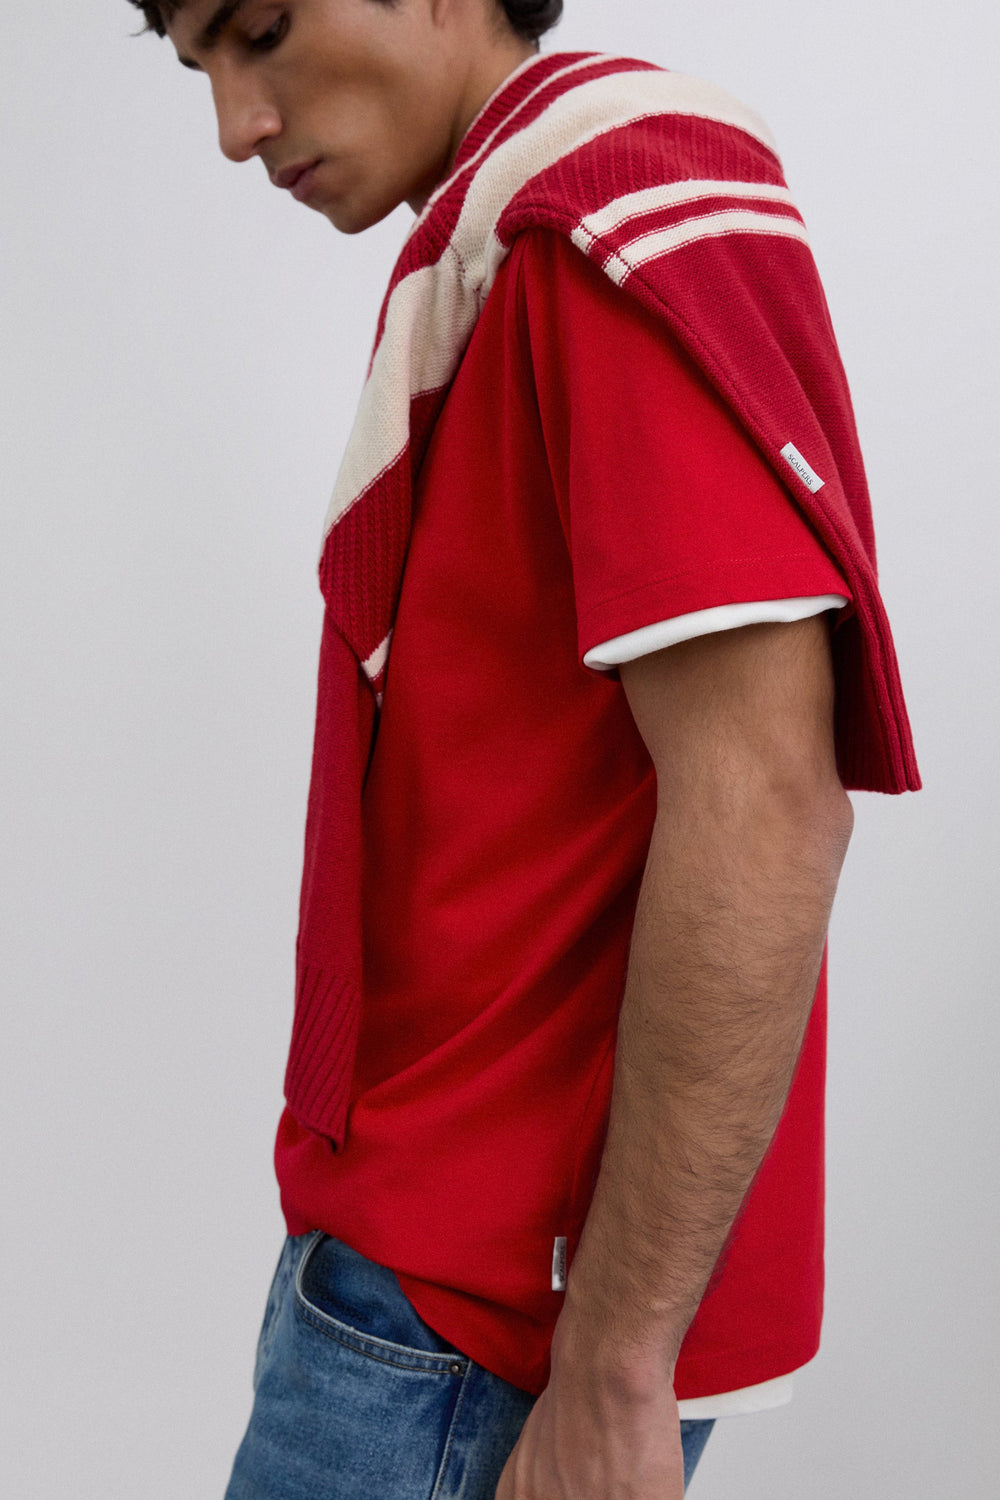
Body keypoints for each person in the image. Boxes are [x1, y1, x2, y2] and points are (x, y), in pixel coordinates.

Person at [128, 2, 919, 1496]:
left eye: (262, 31)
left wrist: (617, 1366)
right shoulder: (512, 239)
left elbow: (763, 806)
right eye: (201, 70)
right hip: (416, 1283)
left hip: (474, 1335)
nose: (235, 127)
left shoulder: (599, 225)